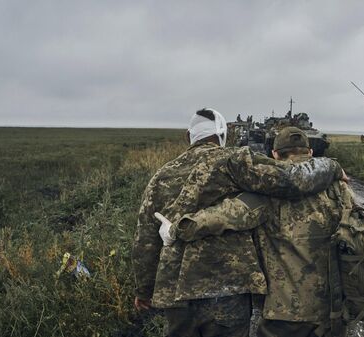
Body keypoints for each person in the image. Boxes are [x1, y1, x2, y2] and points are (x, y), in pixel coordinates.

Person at [132, 110, 345, 337]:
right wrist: (331, 167)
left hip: (175, 292)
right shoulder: (233, 161)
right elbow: (290, 179)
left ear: (188, 137)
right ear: (222, 135)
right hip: (226, 287)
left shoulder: (160, 177)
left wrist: (143, 290)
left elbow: (145, 240)